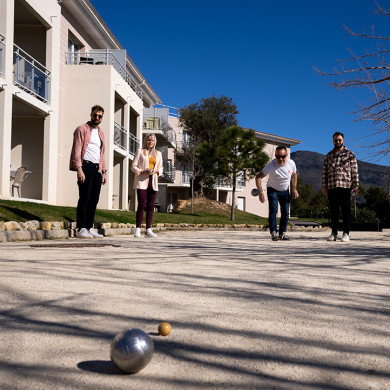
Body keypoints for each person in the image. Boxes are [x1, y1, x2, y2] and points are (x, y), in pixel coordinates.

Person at [69, 105, 107, 238]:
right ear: (91, 114)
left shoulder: (101, 133)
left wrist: (104, 171)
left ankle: (90, 227)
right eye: (95, 115)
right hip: (85, 166)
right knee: (84, 198)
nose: (97, 118)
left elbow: (102, 153)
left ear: (102, 118)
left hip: (97, 169)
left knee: (94, 199)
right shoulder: (81, 129)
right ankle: (81, 228)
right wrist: (79, 169)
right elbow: (77, 150)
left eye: (100, 116)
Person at [255, 146, 299, 241]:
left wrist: (294, 189)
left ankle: (282, 233)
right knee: (273, 210)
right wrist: (261, 192)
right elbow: (258, 177)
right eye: (278, 157)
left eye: (283, 156)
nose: (280, 159)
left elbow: (294, 175)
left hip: (285, 190)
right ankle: (273, 233)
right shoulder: (271, 165)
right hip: (272, 189)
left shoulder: (291, 164)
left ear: (286, 155)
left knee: (286, 213)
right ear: (275, 156)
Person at [322, 132, 359, 242]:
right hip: (332, 186)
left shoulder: (350, 154)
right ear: (332, 141)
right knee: (334, 211)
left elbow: (355, 171)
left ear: (343, 140)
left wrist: (356, 185)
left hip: (345, 186)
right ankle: (334, 233)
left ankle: (346, 233)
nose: (337, 142)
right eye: (335, 140)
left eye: (339, 140)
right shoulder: (328, 155)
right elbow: (324, 172)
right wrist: (324, 186)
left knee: (345, 211)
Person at [131, 133, 163, 238]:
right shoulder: (140, 152)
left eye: (152, 140)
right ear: (145, 141)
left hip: (152, 181)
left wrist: (156, 171)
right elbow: (133, 166)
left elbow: (161, 167)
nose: (150, 142)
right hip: (141, 180)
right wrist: (141, 171)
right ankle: (138, 229)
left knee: (150, 206)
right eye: (148, 140)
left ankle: (148, 229)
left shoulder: (158, 154)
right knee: (141, 205)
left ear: (155, 142)